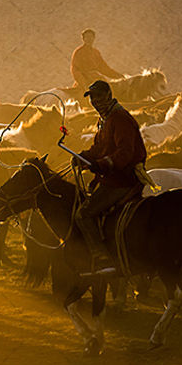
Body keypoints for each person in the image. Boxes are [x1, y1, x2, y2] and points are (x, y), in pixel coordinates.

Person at [71, 80, 147, 273]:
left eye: (99, 97)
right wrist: (83, 157)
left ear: (109, 95)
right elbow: (99, 148)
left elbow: (125, 152)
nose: (95, 101)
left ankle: (102, 257)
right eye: (93, 98)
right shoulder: (104, 119)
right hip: (110, 176)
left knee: (84, 214)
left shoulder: (119, 118)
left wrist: (102, 164)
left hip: (122, 179)